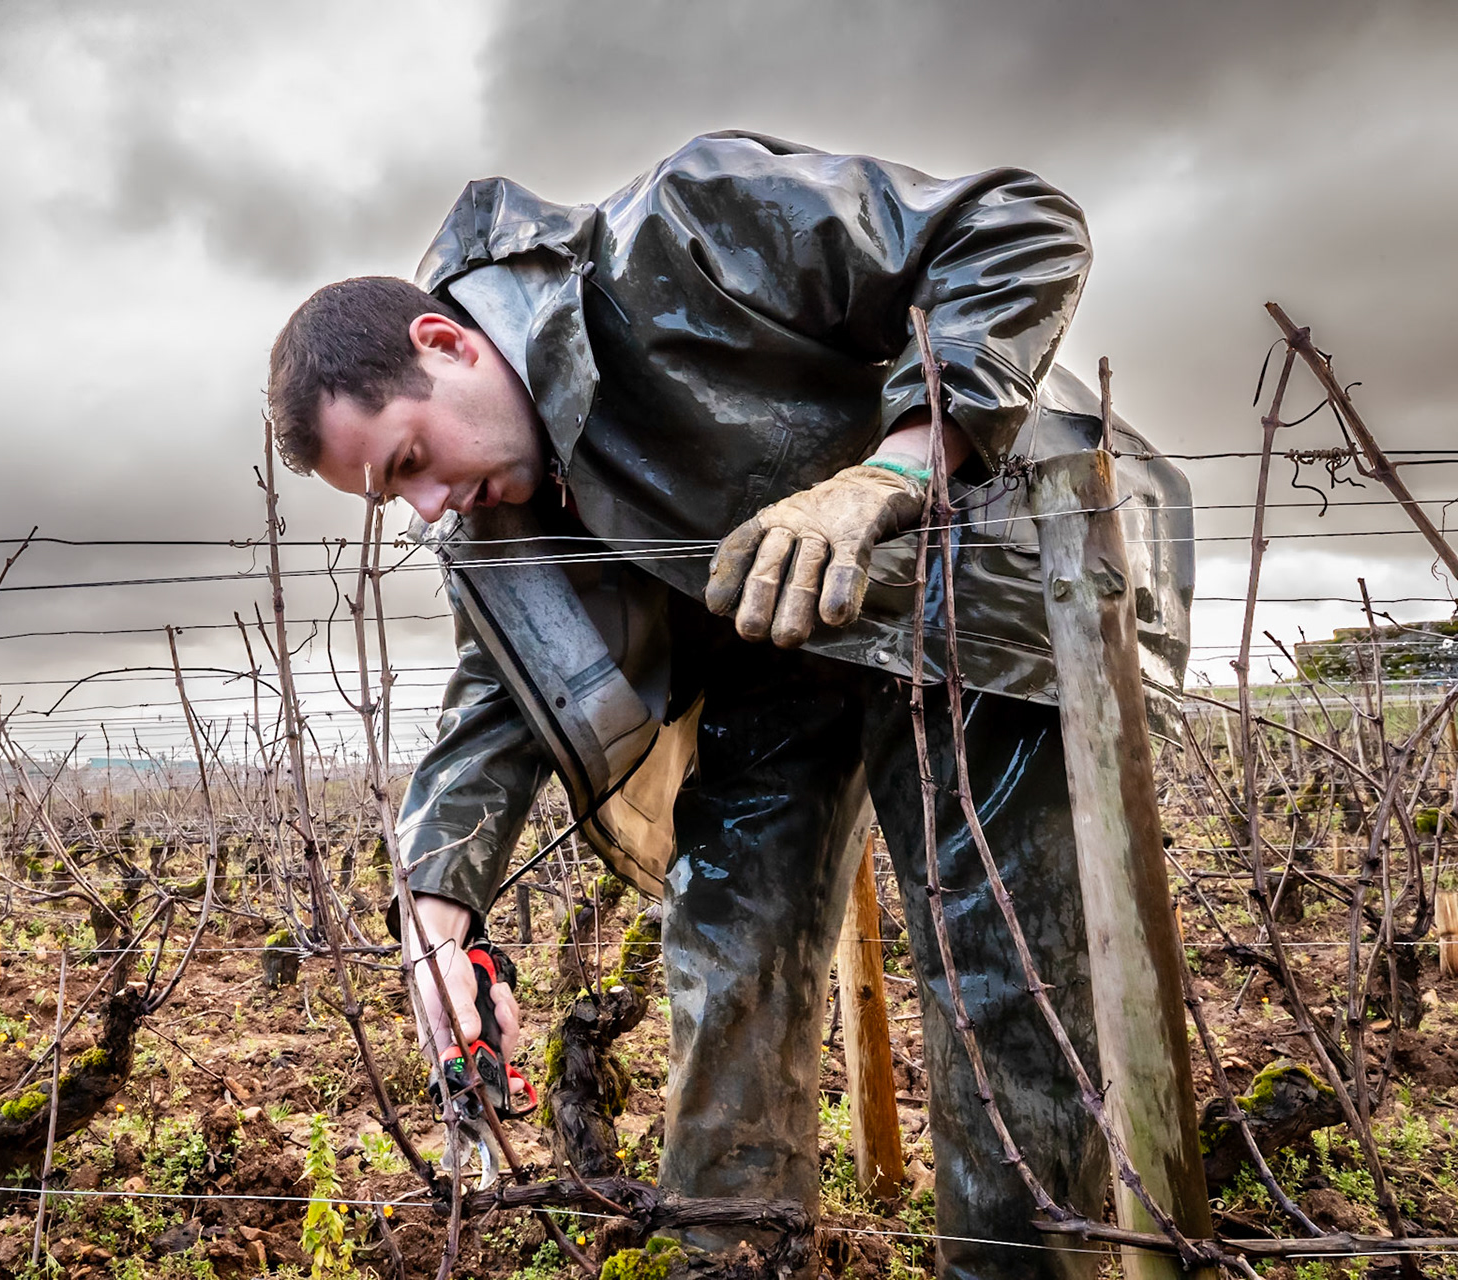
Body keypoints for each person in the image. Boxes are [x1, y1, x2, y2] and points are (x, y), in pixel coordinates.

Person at [265, 131, 1192, 1280]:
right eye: (394, 494)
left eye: (410, 460)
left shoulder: (685, 230)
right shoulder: (495, 514)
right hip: (774, 653)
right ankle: (728, 1259)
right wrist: (437, 930)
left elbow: (1018, 227)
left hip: (976, 587)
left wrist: (888, 476)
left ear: (445, 342)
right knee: (721, 949)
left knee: (997, 971)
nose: (426, 507)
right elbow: (496, 698)